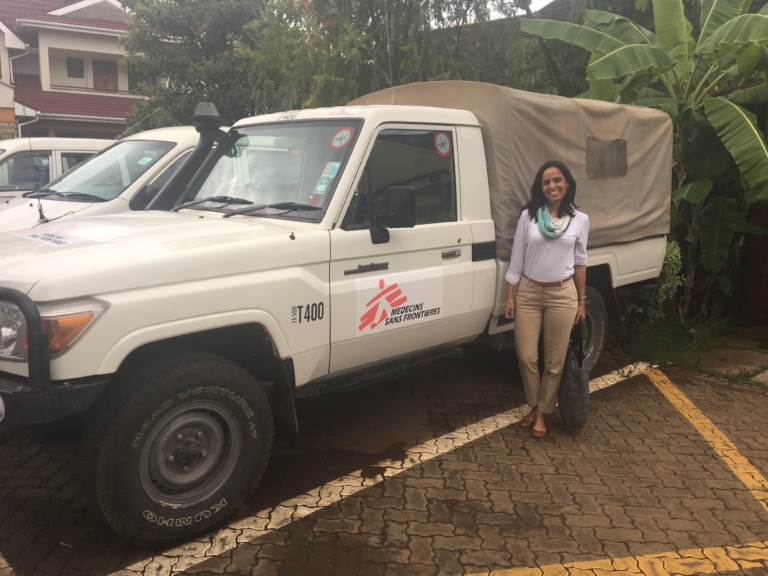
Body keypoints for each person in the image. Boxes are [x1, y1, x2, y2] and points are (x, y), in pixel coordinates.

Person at [504, 160, 589, 438]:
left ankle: (542, 413)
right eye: (546, 182)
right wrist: (510, 295)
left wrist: (581, 300)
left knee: (554, 361)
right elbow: (517, 257)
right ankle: (535, 404)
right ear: (540, 188)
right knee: (526, 356)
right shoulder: (529, 215)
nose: (552, 186)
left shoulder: (580, 219)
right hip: (528, 291)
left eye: (557, 180)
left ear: (567, 184)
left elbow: (580, 262)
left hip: (562, 294)